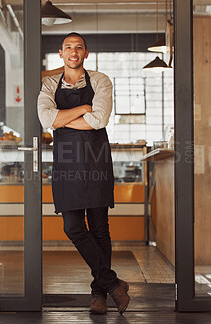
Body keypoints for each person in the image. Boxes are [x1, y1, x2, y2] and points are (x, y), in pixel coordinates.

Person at [37, 32, 130, 315]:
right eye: (68, 47)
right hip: (66, 165)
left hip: (96, 160)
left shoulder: (101, 80)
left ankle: (98, 295)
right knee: (73, 227)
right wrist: (82, 110)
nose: (73, 51)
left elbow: (98, 119)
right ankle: (113, 283)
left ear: (86, 54)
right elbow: (46, 119)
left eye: (79, 47)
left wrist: (63, 120)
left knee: (100, 228)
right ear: (61, 54)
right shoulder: (49, 84)